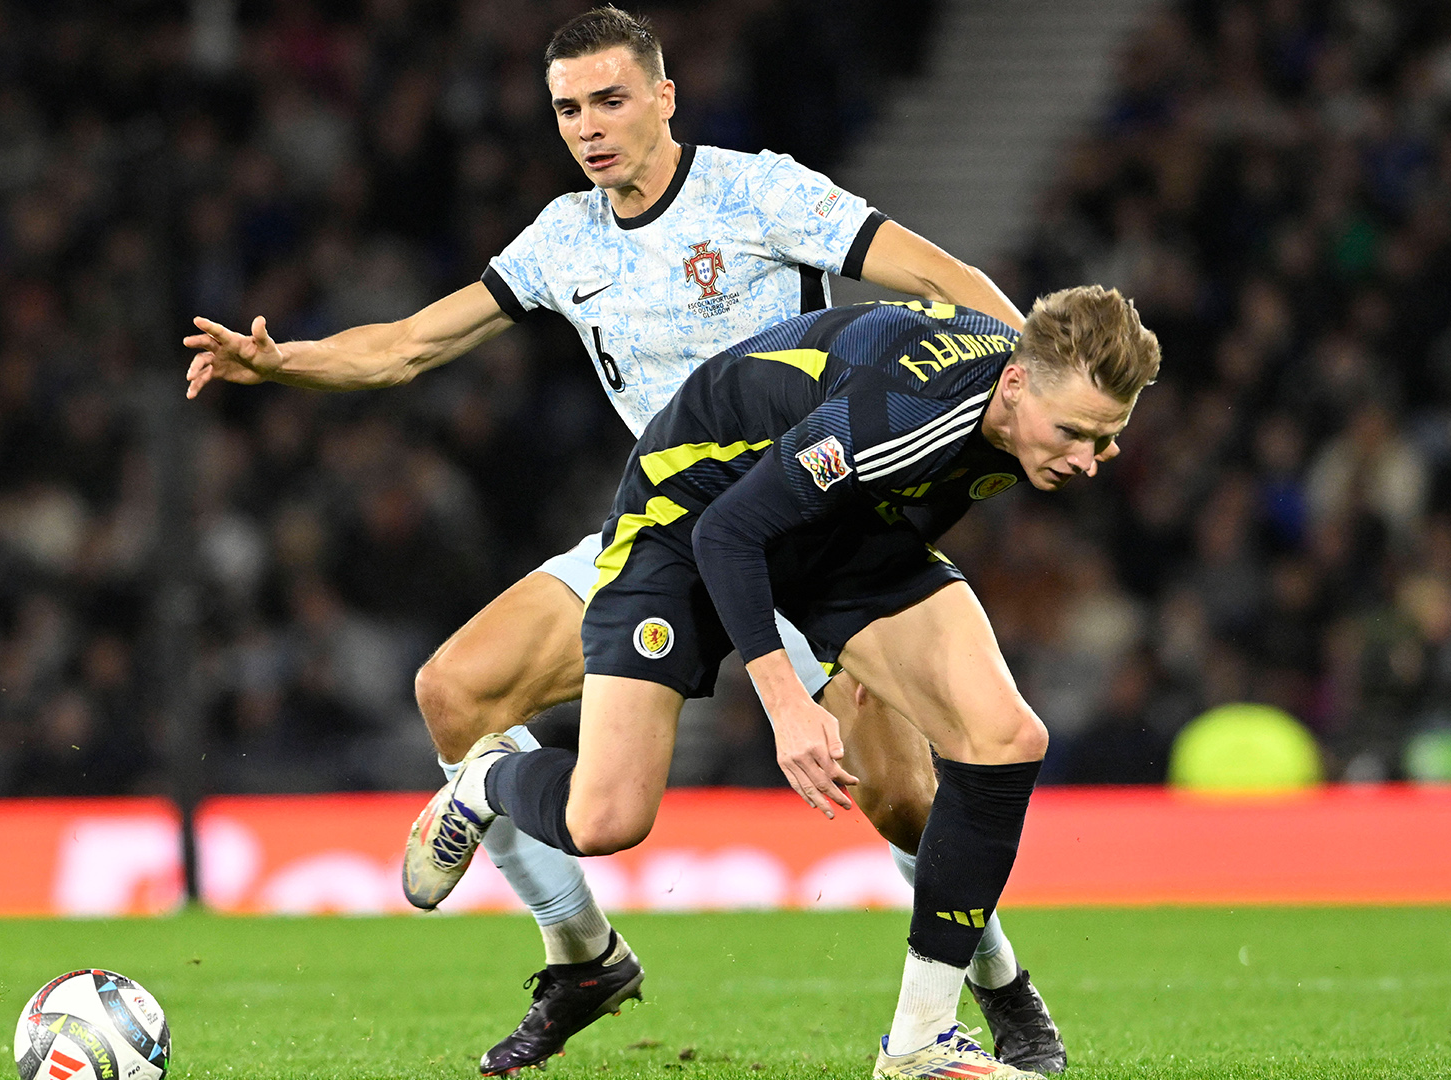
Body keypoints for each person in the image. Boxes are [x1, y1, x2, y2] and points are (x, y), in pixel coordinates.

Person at [183, 6, 1060, 1074]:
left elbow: (936, 275)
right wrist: (284, 364)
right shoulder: (564, 240)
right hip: (664, 526)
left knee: (905, 800)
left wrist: (1026, 379)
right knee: (457, 693)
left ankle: (1002, 987)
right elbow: (410, 346)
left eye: (609, 100)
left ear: (663, 96)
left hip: (810, 522)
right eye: (567, 110)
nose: (590, 127)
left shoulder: (761, 190)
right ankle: (584, 957)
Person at [405, 286, 1159, 1079]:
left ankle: (923, 1041)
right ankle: (488, 779)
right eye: (1073, 433)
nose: (1086, 460)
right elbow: (730, 532)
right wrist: (789, 704)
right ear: (1013, 384)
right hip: (689, 519)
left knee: (1005, 739)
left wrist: (866, 645)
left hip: (843, 534)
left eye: (1106, 440)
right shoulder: (901, 414)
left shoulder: (1024, 401)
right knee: (606, 818)